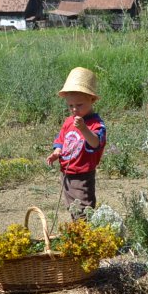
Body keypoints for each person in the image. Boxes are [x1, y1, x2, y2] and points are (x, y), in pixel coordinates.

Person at [47, 67, 106, 218]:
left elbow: (95, 143)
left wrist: (84, 129)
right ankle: (79, 231)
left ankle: (86, 235)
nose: (74, 109)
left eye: (79, 105)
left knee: (83, 208)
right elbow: (61, 138)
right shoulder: (69, 121)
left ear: (92, 100)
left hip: (83, 174)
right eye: (70, 105)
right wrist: (57, 152)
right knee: (71, 206)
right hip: (66, 171)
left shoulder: (95, 124)